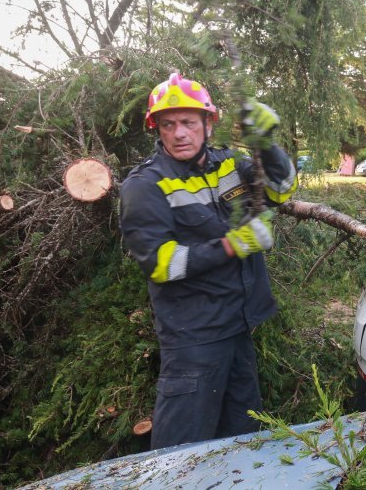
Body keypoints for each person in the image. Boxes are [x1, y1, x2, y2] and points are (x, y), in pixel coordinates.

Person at [119, 72, 297, 449]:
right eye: (168, 125)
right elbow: (161, 264)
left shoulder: (229, 165)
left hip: (238, 326)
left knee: (243, 441)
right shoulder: (146, 185)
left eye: (187, 122)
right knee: (178, 453)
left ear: (208, 123)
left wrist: (267, 144)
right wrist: (233, 245)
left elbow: (280, 191)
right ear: (157, 128)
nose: (179, 133)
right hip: (193, 340)